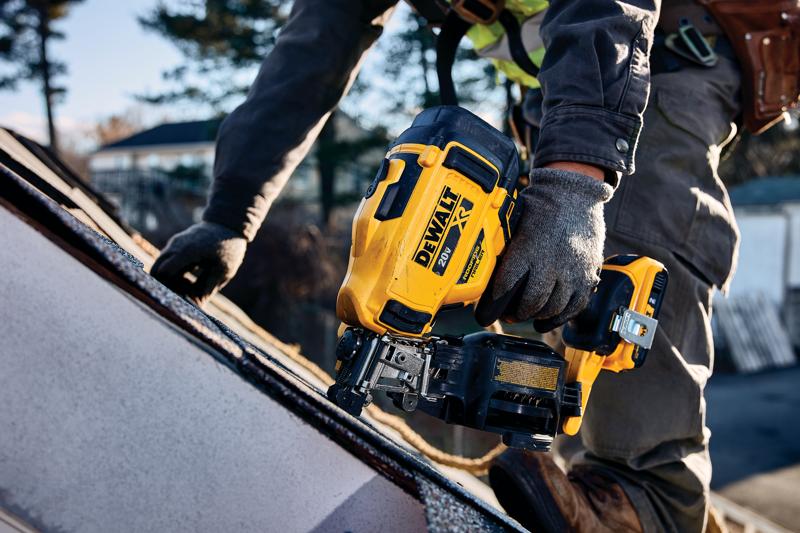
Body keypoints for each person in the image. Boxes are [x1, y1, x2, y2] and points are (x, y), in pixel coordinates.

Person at [151, 1, 742, 531]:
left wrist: (574, 183)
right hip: (566, 83)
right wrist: (231, 214)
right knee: (559, 287)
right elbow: (312, 49)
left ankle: (649, 501)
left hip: (654, 56)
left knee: (630, 238)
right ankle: (603, 471)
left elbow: (606, 10)